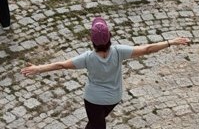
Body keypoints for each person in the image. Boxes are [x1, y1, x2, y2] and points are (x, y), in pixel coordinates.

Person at [21, 18, 190, 128]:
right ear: (110, 37)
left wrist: (38, 68)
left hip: (93, 100)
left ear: (92, 40)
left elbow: (61, 65)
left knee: (96, 125)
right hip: (113, 99)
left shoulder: (87, 58)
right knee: (95, 125)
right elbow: (147, 49)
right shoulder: (119, 51)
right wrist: (170, 42)